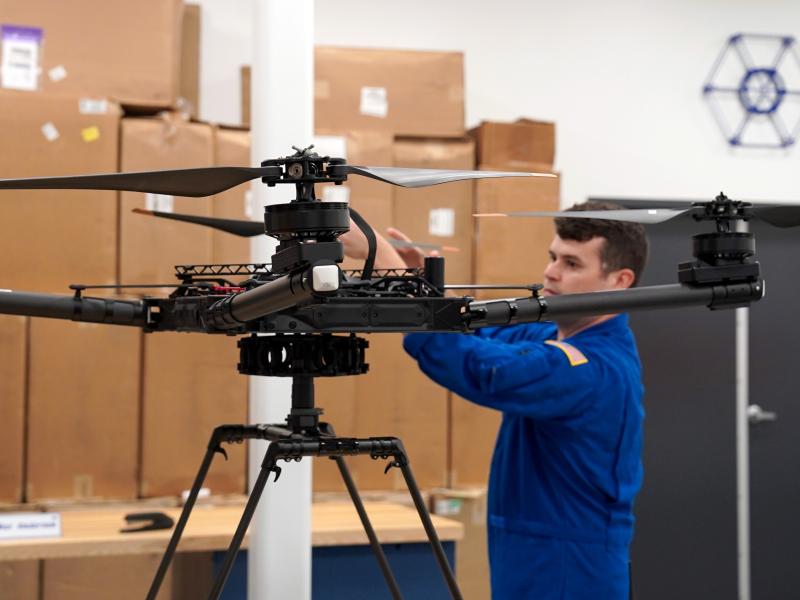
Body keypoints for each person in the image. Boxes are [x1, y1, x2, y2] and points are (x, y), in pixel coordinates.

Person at [341, 201, 648, 599]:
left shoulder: (594, 368)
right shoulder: (550, 336)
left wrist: (384, 261)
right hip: (530, 549)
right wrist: (413, 282)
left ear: (620, 280)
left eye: (572, 264)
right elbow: (475, 336)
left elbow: (483, 368)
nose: (551, 272)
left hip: (569, 564)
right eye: (553, 257)